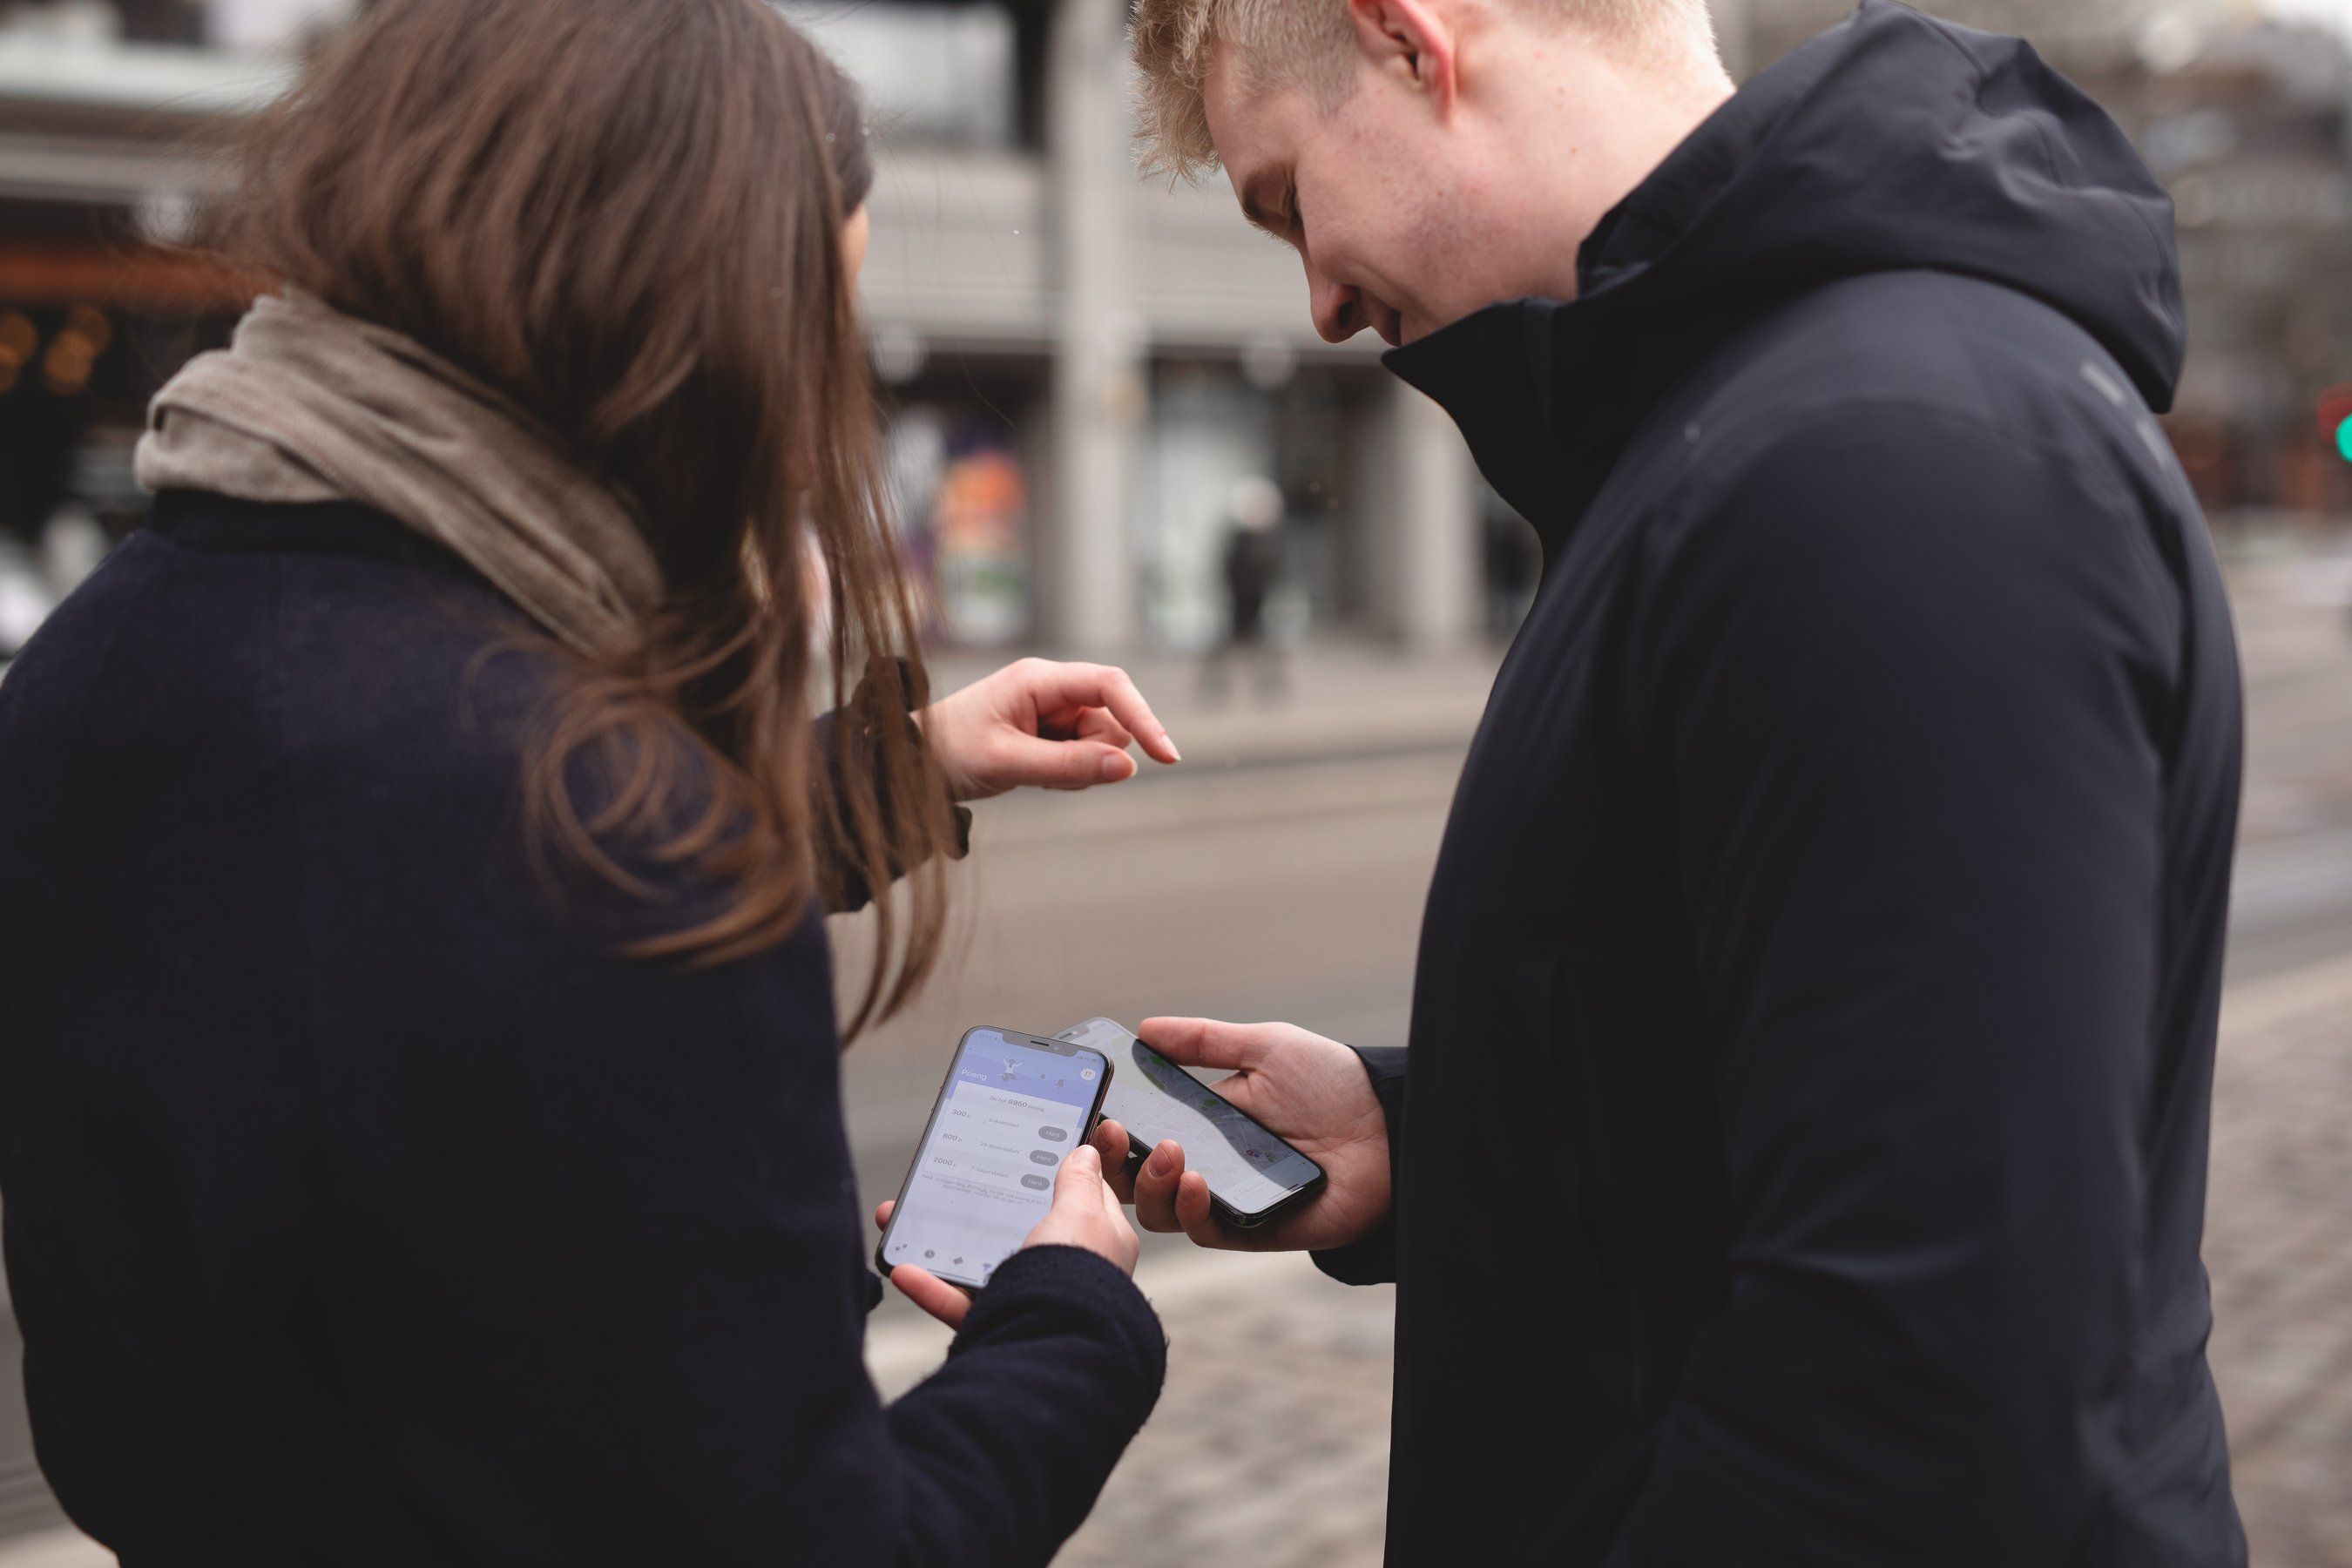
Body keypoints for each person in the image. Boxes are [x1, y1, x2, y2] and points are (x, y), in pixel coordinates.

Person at [0, 2, 1183, 1562]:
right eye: (816, 324)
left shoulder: (94, 660)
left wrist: (887, 772)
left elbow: (370, 921)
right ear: (688, 321)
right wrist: (1074, 1321)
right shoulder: (605, 838)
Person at [1105, 0, 2247, 1562]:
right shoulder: (1731, 437)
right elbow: (1776, 1093)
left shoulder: (1882, 462)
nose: (1313, 299)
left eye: (1289, 197)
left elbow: (1919, 1399)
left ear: (1408, 37)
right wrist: (1419, 1138)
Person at [1205, 474, 1288, 700]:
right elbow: (1228, 569)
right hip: (1240, 602)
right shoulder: (1239, 539)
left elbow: (1273, 570)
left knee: (1263, 645)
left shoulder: (1267, 540)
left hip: (1257, 601)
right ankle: (1215, 686)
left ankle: (1270, 686)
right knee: (1229, 645)